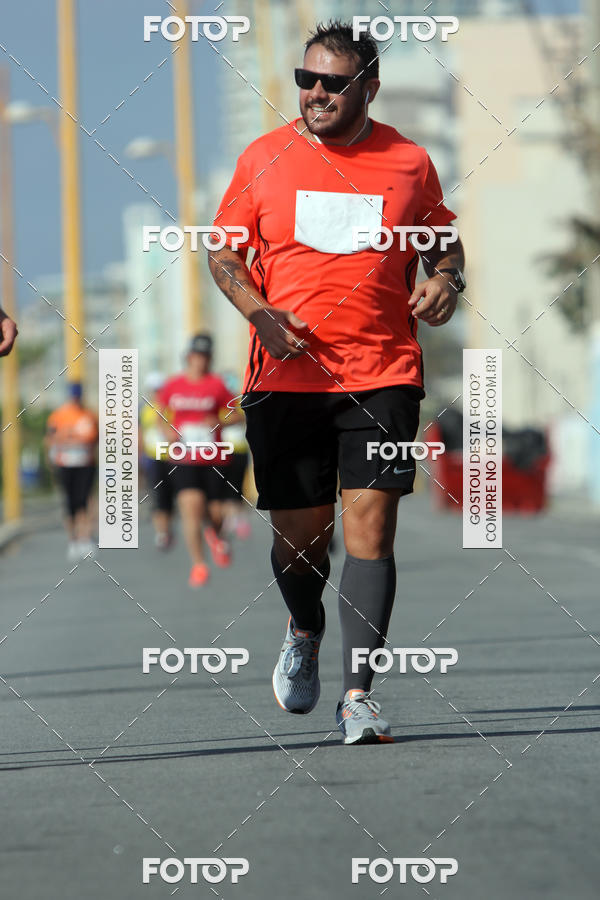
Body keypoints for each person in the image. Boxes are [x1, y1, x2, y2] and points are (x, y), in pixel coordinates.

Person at [208, 21, 466, 744]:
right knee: (302, 541)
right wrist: (258, 314)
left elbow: (443, 242)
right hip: (285, 379)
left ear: (369, 89)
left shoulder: (409, 161)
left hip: (383, 374)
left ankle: (358, 696)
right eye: (307, 79)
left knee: (371, 529)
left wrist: (447, 281)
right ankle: (303, 625)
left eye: (333, 83)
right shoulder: (263, 158)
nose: (316, 93)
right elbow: (223, 256)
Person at [158, 334, 240, 587]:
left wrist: (219, 421)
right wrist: (167, 430)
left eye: (205, 357)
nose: (200, 361)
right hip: (183, 458)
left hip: (213, 457)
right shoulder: (173, 385)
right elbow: (160, 415)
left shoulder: (218, 385)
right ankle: (199, 564)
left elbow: (237, 415)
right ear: (188, 357)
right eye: (197, 356)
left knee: (215, 513)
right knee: (190, 507)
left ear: (210, 359)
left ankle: (215, 534)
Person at [46, 382, 98, 561]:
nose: (76, 400)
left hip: (85, 464)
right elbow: (51, 438)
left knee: (85, 500)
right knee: (70, 502)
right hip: (65, 464)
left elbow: (93, 439)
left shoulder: (89, 415)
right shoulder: (58, 416)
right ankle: (73, 540)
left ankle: (85, 538)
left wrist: (70, 437)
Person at [139, 372, 175, 550]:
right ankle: (161, 532)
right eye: (154, 390)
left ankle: (168, 528)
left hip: (172, 457)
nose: (157, 393)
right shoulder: (144, 409)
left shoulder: (171, 408)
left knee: (170, 496)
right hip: (153, 458)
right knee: (157, 496)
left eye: (159, 389)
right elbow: (139, 433)